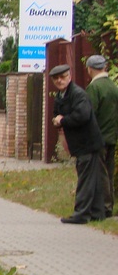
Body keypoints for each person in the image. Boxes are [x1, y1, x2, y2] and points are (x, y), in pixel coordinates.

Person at [50, 64, 107, 224]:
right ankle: (97, 213)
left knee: (86, 179)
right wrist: (57, 120)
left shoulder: (78, 94)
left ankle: (81, 214)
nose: (60, 81)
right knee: (92, 178)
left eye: (63, 77)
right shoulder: (61, 96)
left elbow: (82, 116)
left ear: (69, 77)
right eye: (56, 78)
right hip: (80, 144)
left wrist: (63, 120)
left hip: (88, 143)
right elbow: (57, 114)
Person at [85, 55, 118, 217]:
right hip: (112, 137)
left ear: (90, 69)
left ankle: (105, 207)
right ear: (105, 67)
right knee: (109, 172)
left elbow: (90, 114)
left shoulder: (94, 88)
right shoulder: (113, 86)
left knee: (101, 173)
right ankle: (109, 204)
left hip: (98, 138)